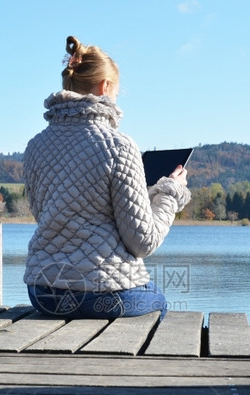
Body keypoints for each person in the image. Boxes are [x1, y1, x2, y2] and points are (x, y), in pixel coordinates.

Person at [23, 35, 191, 320]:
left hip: (43, 293)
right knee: (158, 300)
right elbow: (143, 242)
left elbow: (54, 218)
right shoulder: (118, 146)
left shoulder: (35, 146)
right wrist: (170, 192)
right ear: (105, 87)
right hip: (104, 293)